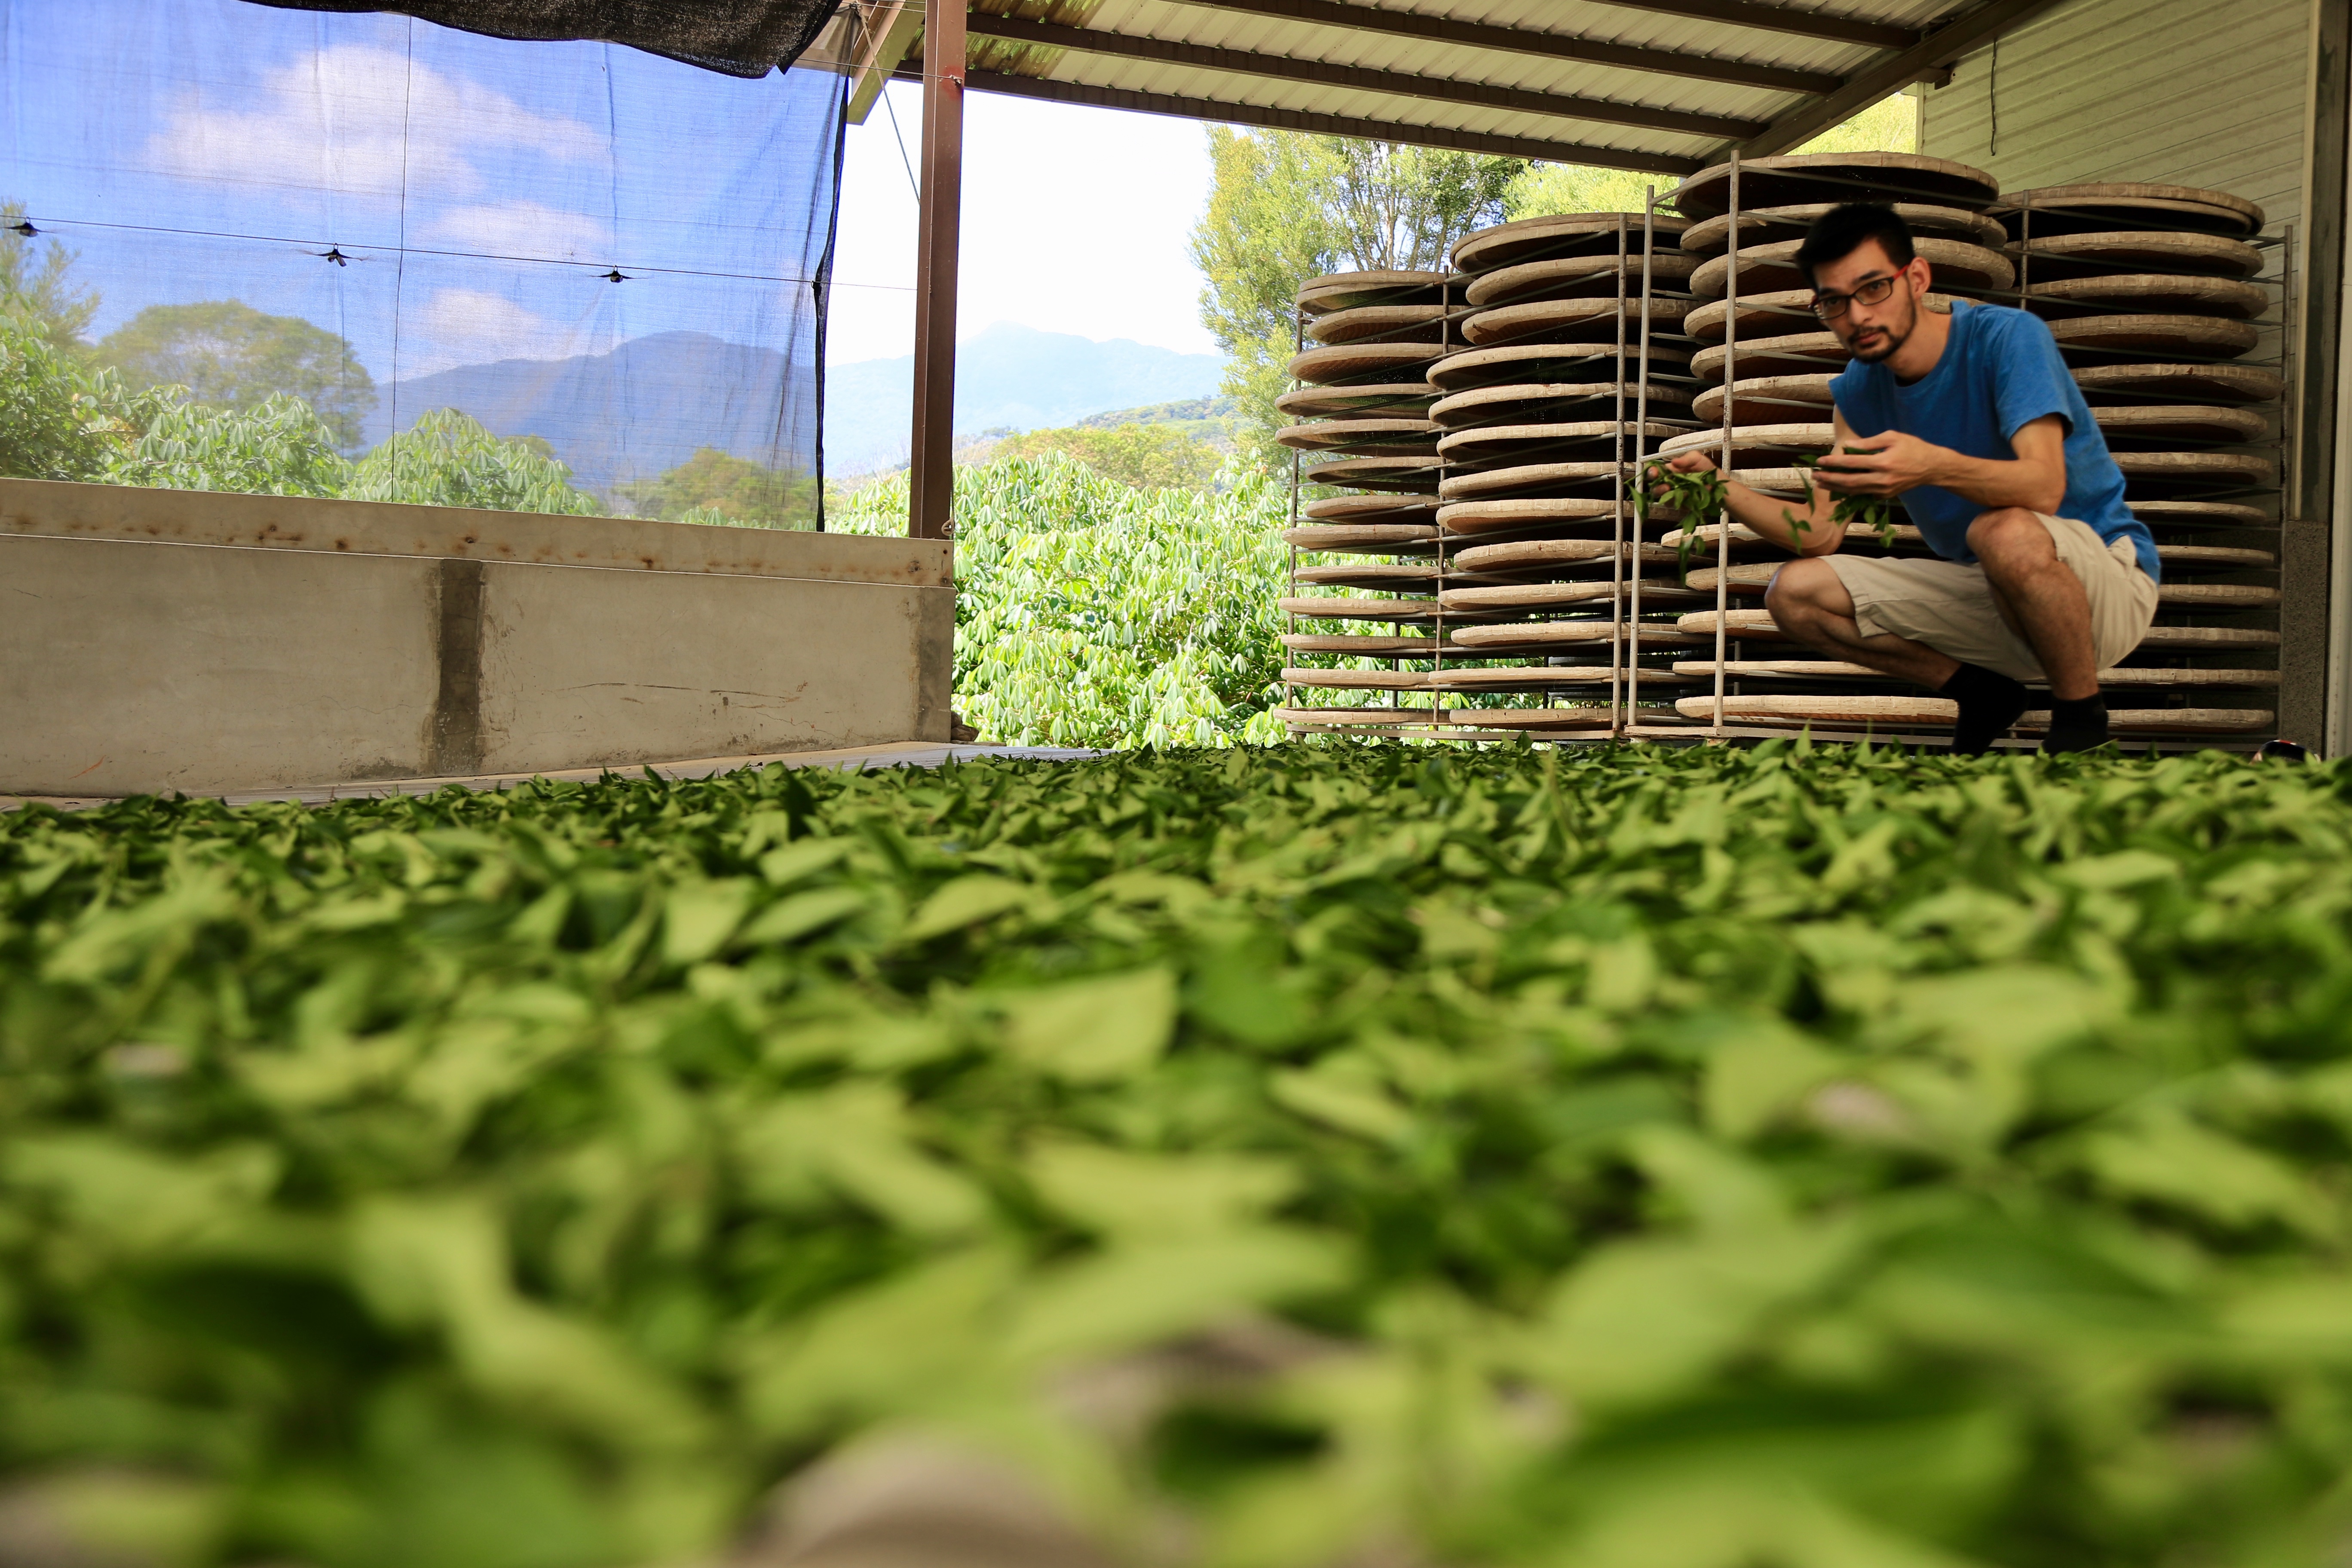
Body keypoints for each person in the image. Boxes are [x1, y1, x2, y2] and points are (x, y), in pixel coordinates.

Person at [1657, 202, 2158, 754]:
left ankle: (2081, 725)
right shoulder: (1859, 395)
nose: (1857, 317)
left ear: (1916, 279)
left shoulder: (2007, 339)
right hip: (2000, 597)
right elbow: (1819, 533)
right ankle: (1980, 692)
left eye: (1873, 289)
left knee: (2001, 531)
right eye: (1835, 302)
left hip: (2106, 587)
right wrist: (1719, 487)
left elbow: (2043, 489)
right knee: (1794, 594)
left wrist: (1931, 464)